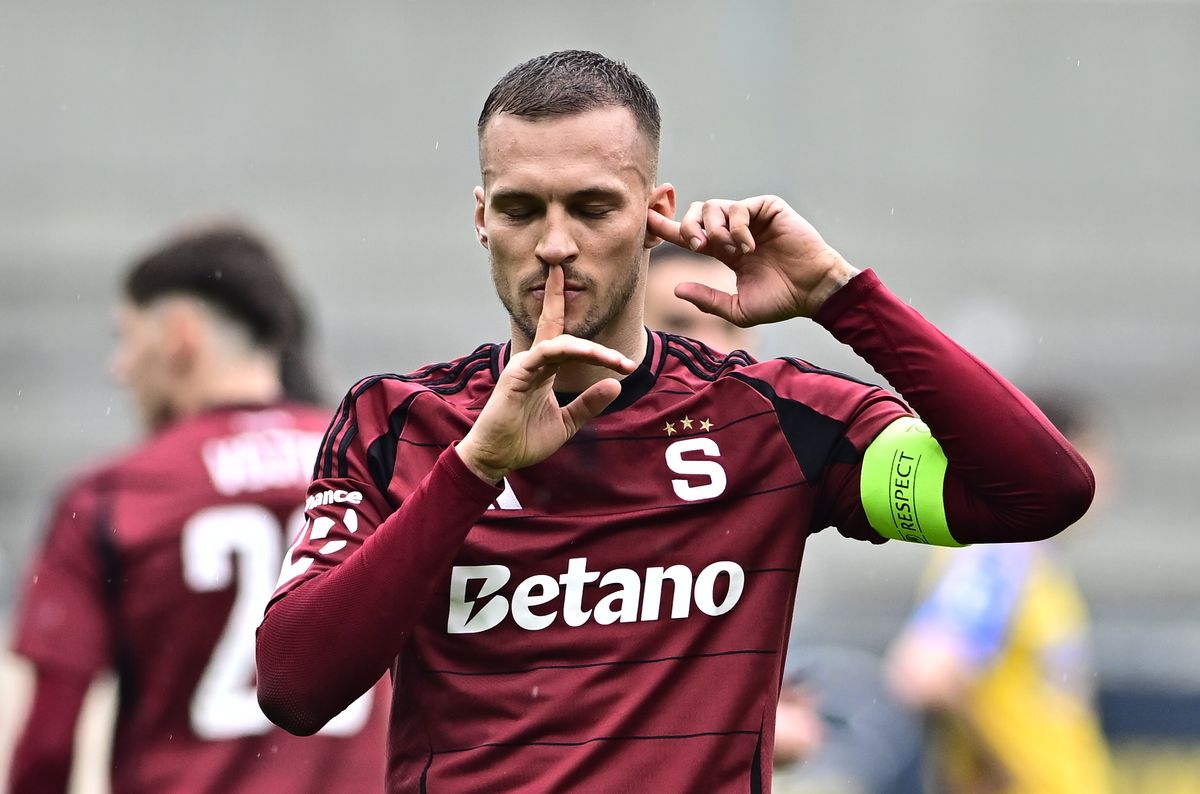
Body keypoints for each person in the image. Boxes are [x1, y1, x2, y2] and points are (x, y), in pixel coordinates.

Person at [255, 50, 1095, 793]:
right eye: (520, 209)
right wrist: (473, 471)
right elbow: (295, 687)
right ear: (482, 219)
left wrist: (843, 298)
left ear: (654, 213)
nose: (554, 243)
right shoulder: (399, 423)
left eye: (592, 207)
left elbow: (1040, 493)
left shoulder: (769, 418)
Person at [8, 224, 389, 793]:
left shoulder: (112, 497)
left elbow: (47, 746)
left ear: (179, 336)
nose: (119, 367)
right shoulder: (377, 471)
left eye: (127, 338)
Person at [885, 393, 1114, 794]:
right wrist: (998, 763)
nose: (1107, 476)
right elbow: (922, 673)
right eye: (1092, 456)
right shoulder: (998, 557)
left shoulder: (1034, 561)